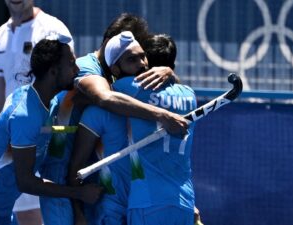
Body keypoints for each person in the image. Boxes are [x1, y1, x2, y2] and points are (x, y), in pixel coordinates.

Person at [41, 13, 188, 225]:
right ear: (112, 45)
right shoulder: (85, 68)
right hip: (61, 173)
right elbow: (105, 98)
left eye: (142, 54)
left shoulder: (117, 75)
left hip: (92, 176)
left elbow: (174, 95)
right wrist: (162, 115)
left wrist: (169, 73)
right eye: (131, 55)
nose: (142, 63)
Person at [0, 35, 103, 225]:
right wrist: (79, 193)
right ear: (53, 71)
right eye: (71, 64)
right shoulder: (25, 116)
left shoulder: (49, 103)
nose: (77, 69)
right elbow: (26, 182)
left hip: (0, 209)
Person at [0, 1, 73, 223]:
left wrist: (55, 135)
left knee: (46, 210)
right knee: (22, 212)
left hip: (44, 143)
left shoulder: (53, 28)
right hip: (14, 142)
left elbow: (68, 81)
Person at [107, 32, 197, 225]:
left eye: (142, 57)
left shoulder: (130, 86)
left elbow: (101, 94)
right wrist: (171, 74)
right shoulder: (190, 95)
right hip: (185, 202)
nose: (141, 64)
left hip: (148, 203)